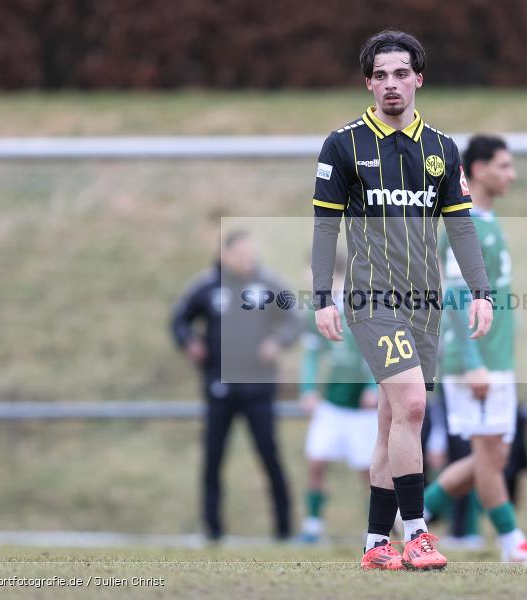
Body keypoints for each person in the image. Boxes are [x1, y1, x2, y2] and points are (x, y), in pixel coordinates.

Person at [309, 30, 494, 571]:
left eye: (401, 73)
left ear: (418, 78)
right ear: (369, 83)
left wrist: (481, 291)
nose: (391, 84)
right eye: (381, 75)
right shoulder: (342, 145)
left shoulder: (441, 149)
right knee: (413, 405)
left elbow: (461, 228)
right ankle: (416, 533)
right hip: (372, 299)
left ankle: (374, 545)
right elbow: (325, 228)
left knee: (395, 420)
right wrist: (324, 297)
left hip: (426, 304)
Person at [423, 134, 527, 563]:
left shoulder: (486, 220)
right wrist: (474, 362)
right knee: (489, 454)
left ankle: (415, 517)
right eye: (504, 166)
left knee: (492, 454)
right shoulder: (465, 226)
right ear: (477, 170)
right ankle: (512, 542)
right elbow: (456, 300)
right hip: (475, 361)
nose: (511, 175)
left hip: (495, 358)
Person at [171, 230, 302, 542]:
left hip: (258, 389)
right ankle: (212, 530)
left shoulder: (268, 284)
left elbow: (293, 322)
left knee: (269, 455)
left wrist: (277, 341)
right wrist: (189, 342)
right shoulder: (205, 286)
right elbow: (179, 321)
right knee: (214, 458)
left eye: (251, 253)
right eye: (242, 254)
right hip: (218, 388)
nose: (249, 259)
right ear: (225, 255)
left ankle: (284, 530)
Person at [298, 256, 379, 543]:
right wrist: (307, 389)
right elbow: (311, 354)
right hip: (331, 404)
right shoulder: (316, 310)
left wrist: (373, 385)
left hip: (360, 409)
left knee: (368, 472)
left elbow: (375, 349)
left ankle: (376, 528)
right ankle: (312, 525)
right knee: (316, 461)